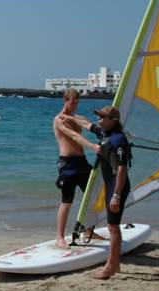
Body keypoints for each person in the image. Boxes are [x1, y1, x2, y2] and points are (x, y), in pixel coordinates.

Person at [56, 105, 131, 279]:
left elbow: (122, 170)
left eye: (103, 117)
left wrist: (116, 195)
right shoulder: (105, 134)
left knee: (113, 227)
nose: (99, 120)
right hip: (111, 185)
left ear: (113, 121)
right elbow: (88, 125)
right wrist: (71, 118)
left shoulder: (118, 140)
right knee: (113, 226)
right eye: (99, 116)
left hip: (117, 186)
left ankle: (111, 267)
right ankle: (115, 265)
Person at [51, 88, 93, 249]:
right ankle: (60, 237)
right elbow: (74, 136)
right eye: (72, 102)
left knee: (91, 196)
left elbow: (88, 124)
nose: (74, 105)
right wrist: (93, 147)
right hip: (67, 164)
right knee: (67, 200)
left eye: (77, 102)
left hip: (82, 162)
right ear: (65, 100)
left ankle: (88, 230)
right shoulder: (58, 120)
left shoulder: (77, 118)